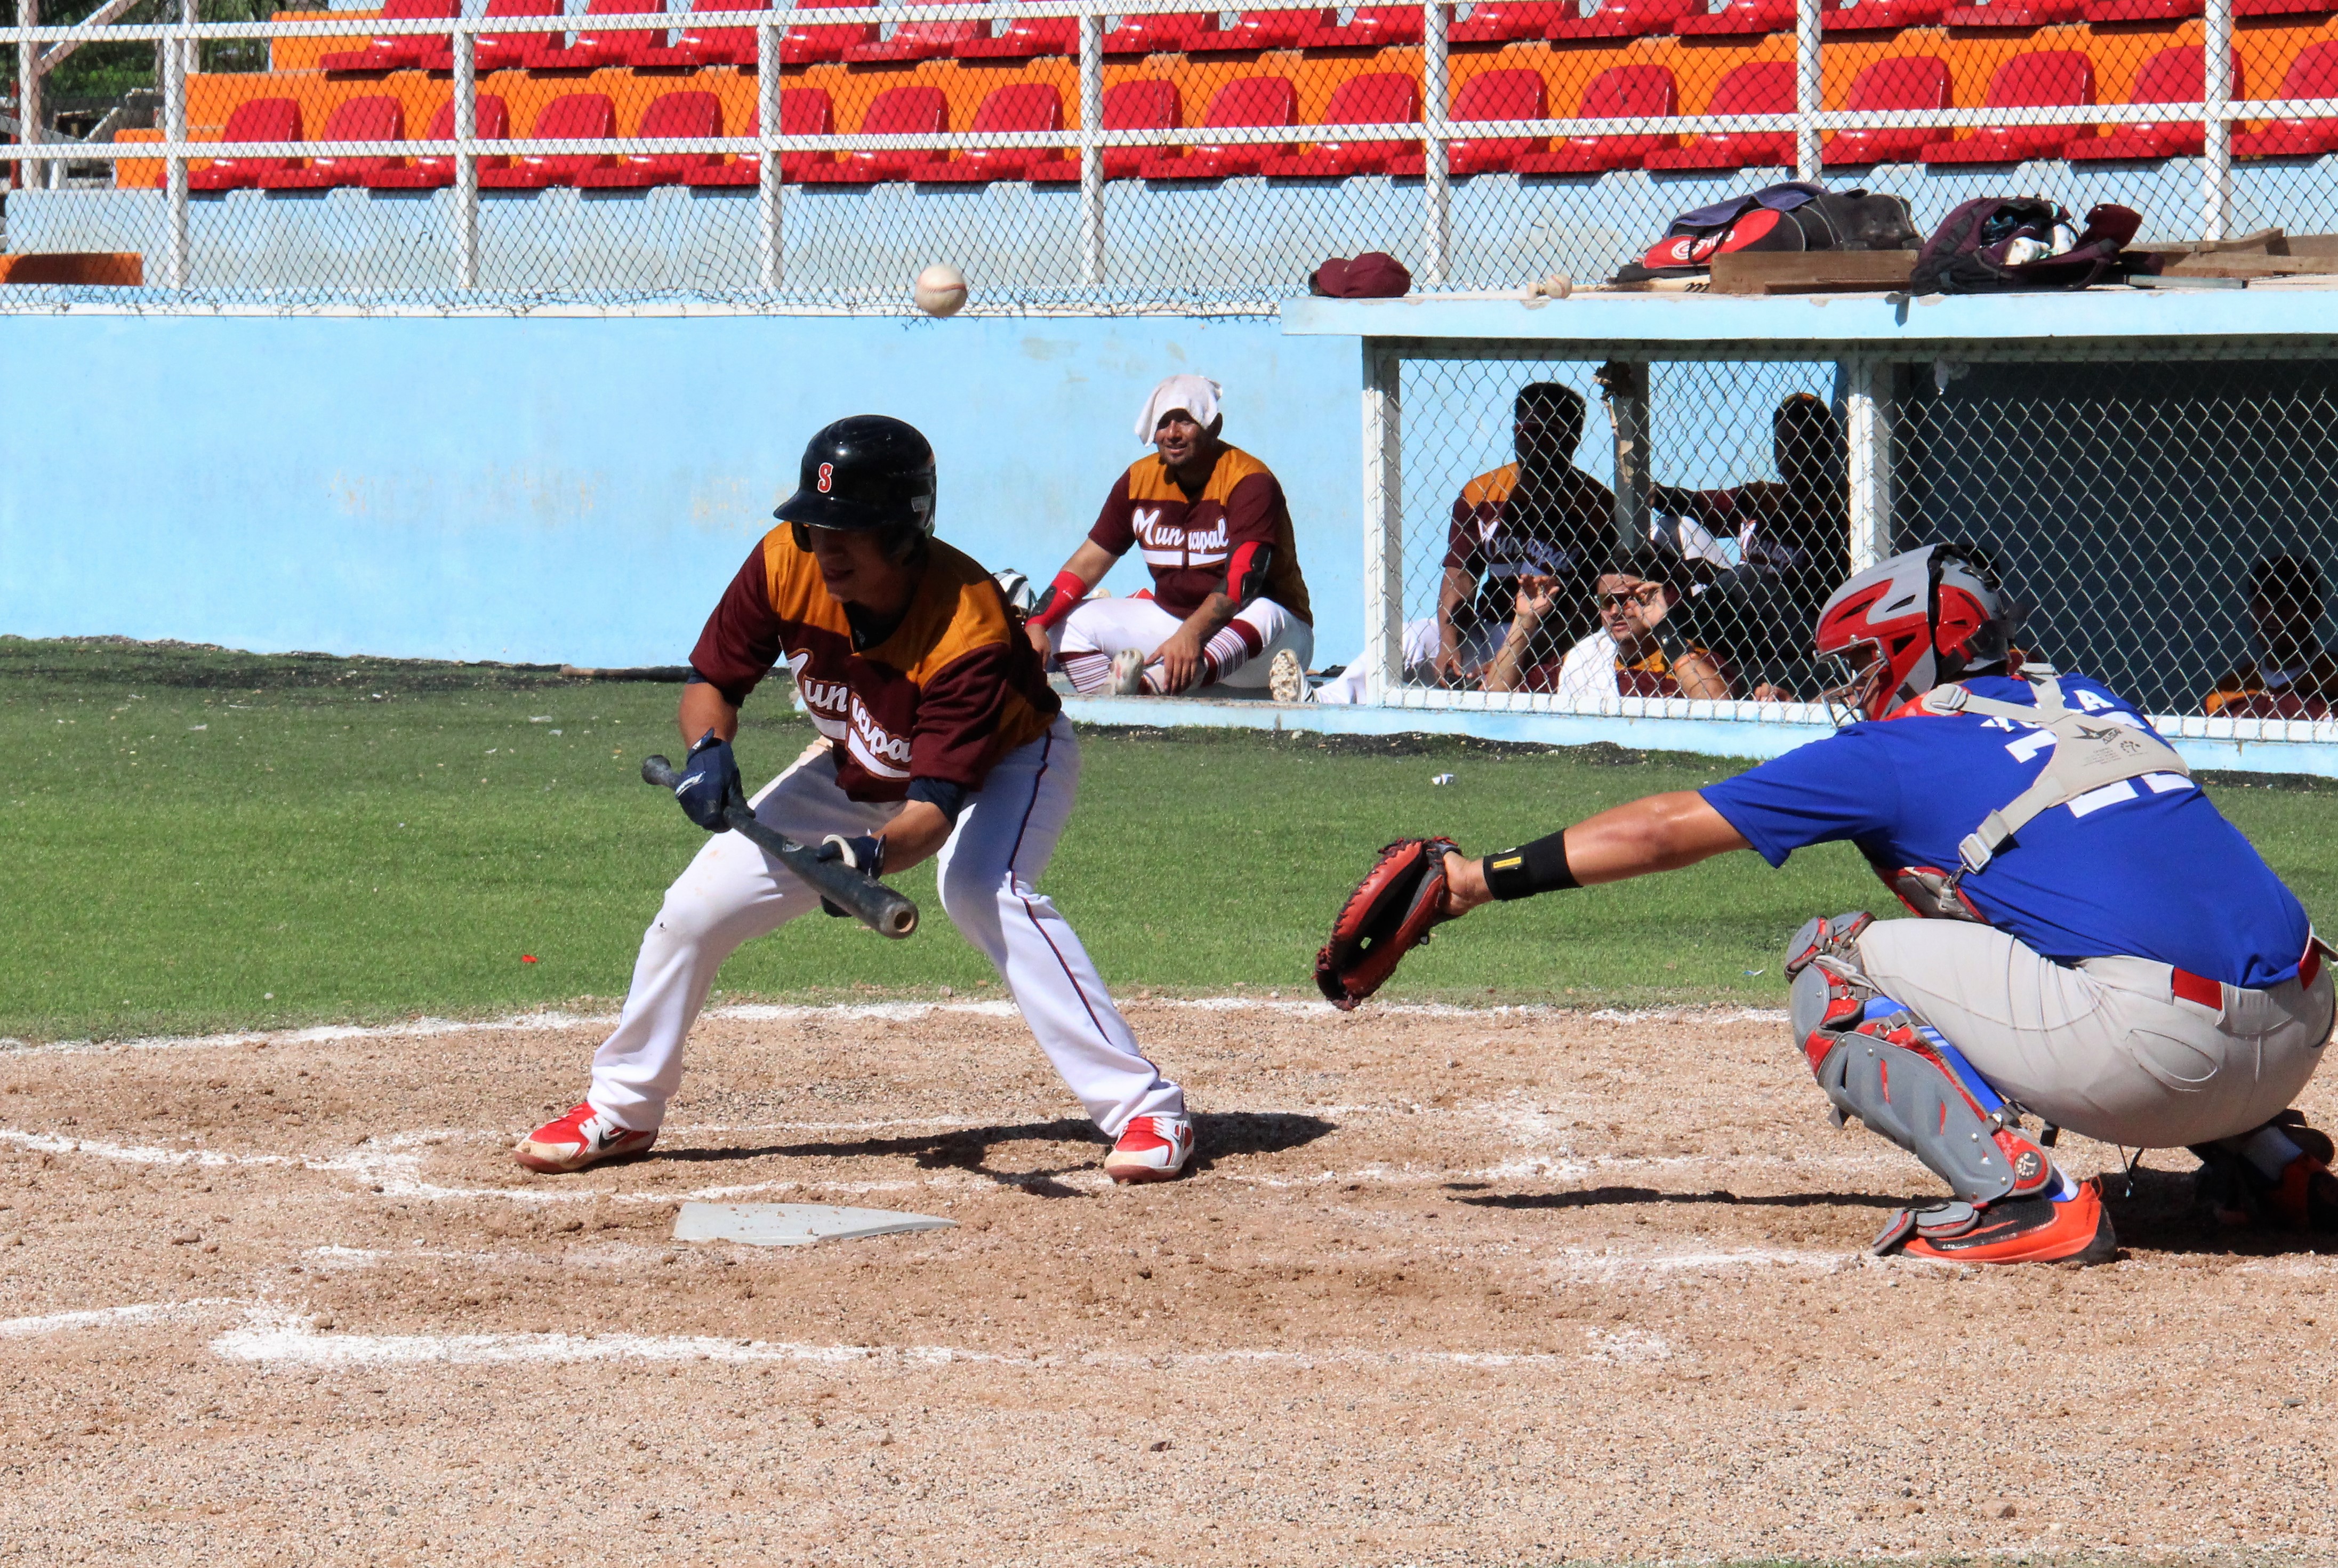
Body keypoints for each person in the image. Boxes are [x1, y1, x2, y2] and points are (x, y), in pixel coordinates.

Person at [1424, 544, 2336, 1262]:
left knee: (1837, 960)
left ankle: (2019, 1198)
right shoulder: (2088, 695)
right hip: (2300, 1027)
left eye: (1866, 661)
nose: (1856, 686)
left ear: (1915, 647)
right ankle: (2272, 1162)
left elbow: (1668, 828)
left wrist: (1481, 877)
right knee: (2094, 913)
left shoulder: (1896, 746)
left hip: (2157, 1058)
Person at [515, 416, 1194, 1185]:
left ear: (903, 536)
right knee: (693, 908)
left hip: (1006, 762)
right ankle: (625, 1107)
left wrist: (866, 858)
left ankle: (1146, 1108)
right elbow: (714, 683)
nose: (824, 546)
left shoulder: (967, 625)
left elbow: (933, 813)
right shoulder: (785, 561)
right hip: (860, 763)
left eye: (850, 529)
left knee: (981, 890)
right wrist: (711, 751)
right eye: (814, 524)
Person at [1026, 374, 1313, 703]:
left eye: (1186, 422)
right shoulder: (1138, 479)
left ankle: (1145, 689)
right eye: (1163, 424)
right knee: (1069, 623)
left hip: (1268, 645)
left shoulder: (1249, 480)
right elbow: (1089, 563)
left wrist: (1191, 633)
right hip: (1176, 629)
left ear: (1214, 426)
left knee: (1264, 611)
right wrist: (1037, 621)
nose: (1172, 434)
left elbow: (1242, 582)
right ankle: (1111, 706)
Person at [1649, 391, 1850, 684]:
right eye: (1781, 443)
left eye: (1801, 443)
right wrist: (1655, 492)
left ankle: (1672, 634)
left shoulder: (1835, 512)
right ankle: (1661, 633)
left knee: (1746, 577)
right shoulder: (1765, 497)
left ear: (1824, 448)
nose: (1788, 454)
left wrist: (1719, 577)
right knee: (1670, 526)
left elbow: (1807, 593)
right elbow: (1703, 506)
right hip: (1742, 610)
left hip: (1799, 627)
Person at [1434, 382, 1617, 685]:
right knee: (1409, 641)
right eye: (1527, 428)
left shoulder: (1597, 507)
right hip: (1484, 626)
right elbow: (1460, 575)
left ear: (1573, 439)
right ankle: (1330, 707)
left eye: (1550, 432)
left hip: (1550, 642)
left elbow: (1585, 607)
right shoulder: (1481, 492)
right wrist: (1448, 642)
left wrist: (1515, 656)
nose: (1535, 440)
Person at [1483, 548, 1733, 699]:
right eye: (1606, 601)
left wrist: (1663, 626)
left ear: (1656, 599)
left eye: (1627, 600)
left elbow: (1717, 707)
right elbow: (1494, 697)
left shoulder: (1692, 659)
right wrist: (1525, 621)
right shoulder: (1583, 658)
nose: (1614, 611)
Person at [2201, 553, 2338, 719]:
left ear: (2315, 611)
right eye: (2262, 600)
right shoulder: (2228, 691)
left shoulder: (2333, 678)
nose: (2272, 613)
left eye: (2287, 601)